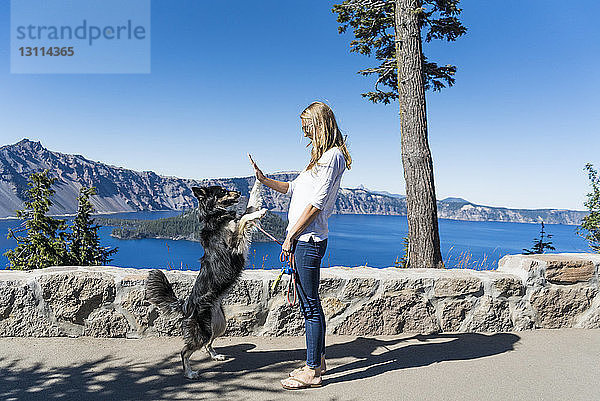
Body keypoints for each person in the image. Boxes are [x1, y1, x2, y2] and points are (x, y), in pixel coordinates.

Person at [248, 101, 352, 390]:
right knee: (309, 303)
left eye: (307, 126)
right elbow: (293, 189)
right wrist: (264, 180)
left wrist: (290, 235)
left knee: (309, 306)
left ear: (320, 124)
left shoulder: (332, 157)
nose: (304, 133)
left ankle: (312, 372)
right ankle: (318, 361)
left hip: (308, 240)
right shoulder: (319, 159)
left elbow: (316, 204)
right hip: (304, 239)